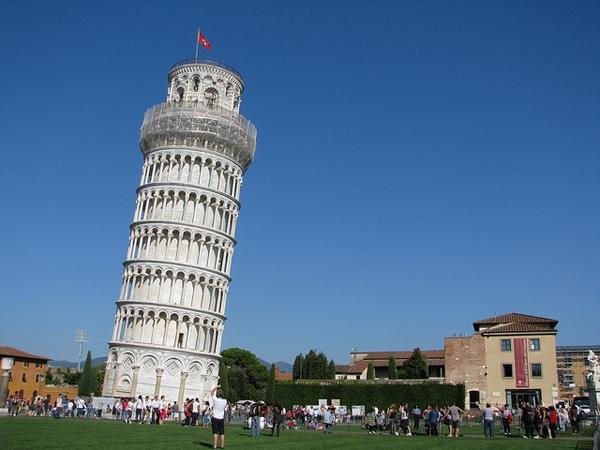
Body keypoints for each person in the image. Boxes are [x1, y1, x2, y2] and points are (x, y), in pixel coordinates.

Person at [209, 385, 227, 449]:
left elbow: (211, 391)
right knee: (222, 433)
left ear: (217, 394)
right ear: (222, 395)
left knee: (215, 432)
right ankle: (222, 445)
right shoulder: (225, 401)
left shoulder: (215, 399)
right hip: (221, 418)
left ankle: (215, 445)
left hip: (215, 417)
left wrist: (217, 387)